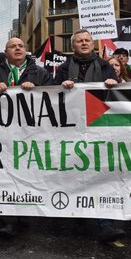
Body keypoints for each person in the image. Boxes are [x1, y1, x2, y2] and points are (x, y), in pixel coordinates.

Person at [53, 30, 120, 242]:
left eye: (87, 40)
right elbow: (51, 96)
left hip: (99, 127)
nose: (84, 43)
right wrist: (61, 87)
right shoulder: (64, 68)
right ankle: (79, 219)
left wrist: (113, 84)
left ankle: (105, 224)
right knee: (77, 173)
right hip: (72, 129)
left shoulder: (105, 66)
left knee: (100, 175)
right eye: (79, 41)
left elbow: (118, 92)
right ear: (73, 46)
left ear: (93, 44)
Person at [0, 37, 53, 238]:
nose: (17, 48)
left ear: (26, 50)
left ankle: (25, 215)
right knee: (5, 176)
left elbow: (55, 97)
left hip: (30, 134)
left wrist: (38, 90)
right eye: (13, 46)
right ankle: (8, 220)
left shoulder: (40, 73)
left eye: (21, 46)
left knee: (27, 174)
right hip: (2, 134)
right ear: (6, 52)